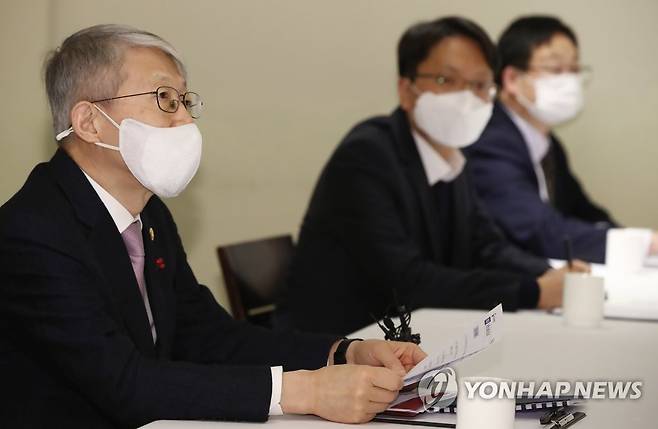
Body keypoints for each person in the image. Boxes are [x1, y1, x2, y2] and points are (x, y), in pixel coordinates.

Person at [0, 25, 426, 428]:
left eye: (185, 101)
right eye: (165, 99)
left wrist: (343, 353)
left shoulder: (149, 214)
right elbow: (123, 383)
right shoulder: (32, 232)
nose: (186, 120)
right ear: (90, 122)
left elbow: (207, 336)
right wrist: (304, 391)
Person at [276, 17, 587, 336]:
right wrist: (532, 292)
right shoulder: (367, 156)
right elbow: (409, 282)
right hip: (331, 346)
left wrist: (551, 274)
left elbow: (487, 248)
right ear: (406, 91)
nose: (465, 97)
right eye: (445, 80)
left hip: (409, 339)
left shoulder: (453, 158)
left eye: (479, 85)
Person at [464, 15, 658, 263]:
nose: (569, 81)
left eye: (574, 70)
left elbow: (584, 213)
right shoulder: (489, 141)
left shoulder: (547, 144)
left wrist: (633, 240)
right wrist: (645, 243)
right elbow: (540, 232)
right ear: (511, 79)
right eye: (555, 70)